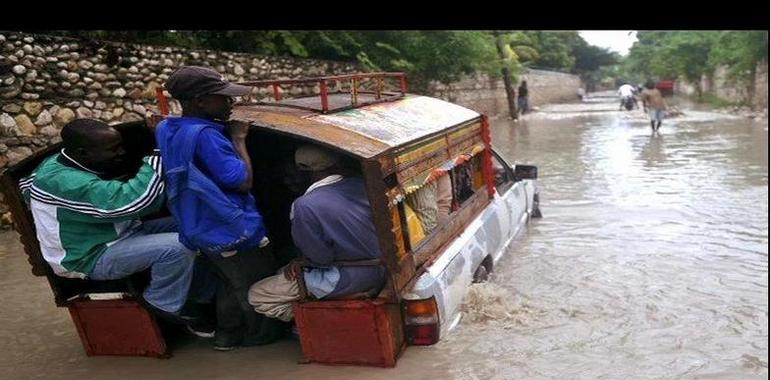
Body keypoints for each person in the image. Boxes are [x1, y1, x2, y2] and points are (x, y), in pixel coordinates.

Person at [19, 119, 214, 336]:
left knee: (199, 227)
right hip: (89, 256)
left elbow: (24, 184)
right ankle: (160, 308)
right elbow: (135, 202)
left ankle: (201, 297)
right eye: (113, 149)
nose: (121, 153)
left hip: (121, 231)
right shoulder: (63, 180)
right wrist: (160, 152)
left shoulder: (60, 163)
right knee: (178, 247)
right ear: (82, 153)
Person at [156, 65, 281, 351]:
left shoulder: (166, 127)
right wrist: (239, 139)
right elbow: (242, 182)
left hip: (197, 223)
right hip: (231, 225)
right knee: (254, 282)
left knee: (228, 279)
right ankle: (260, 337)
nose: (231, 103)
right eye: (223, 97)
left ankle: (226, 335)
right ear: (199, 101)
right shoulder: (208, 136)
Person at [248, 145, 386, 323]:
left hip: (346, 278)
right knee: (283, 271)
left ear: (305, 172)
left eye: (291, 175)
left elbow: (320, 259)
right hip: (381, 268)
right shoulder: (361, 183)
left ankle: (317, 321)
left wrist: (302, 261)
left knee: (258, 294)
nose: (287, 181)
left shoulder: (305, 205)